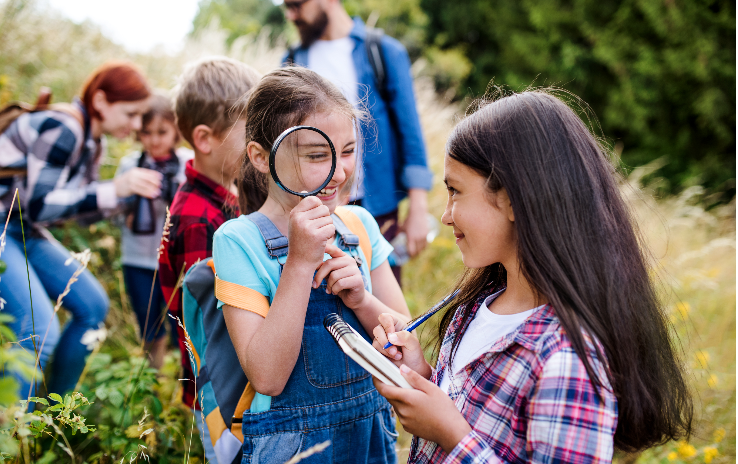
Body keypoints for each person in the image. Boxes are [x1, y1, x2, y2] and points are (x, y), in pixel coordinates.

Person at [372, 91, 694, 463]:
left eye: (455, 191)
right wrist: (422, 377)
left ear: (510, 199)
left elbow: (460, 430)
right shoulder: (477, 306)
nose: (445, 215)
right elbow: (477, 412)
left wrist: (452, 436)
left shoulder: (568, 360)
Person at [212, 67, 410, 463]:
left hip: (370, 435)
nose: (340, 172)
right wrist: (299, 263)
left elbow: (405, 345)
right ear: (260, 157)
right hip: (292, 448)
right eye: (318, 155)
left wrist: (362, 301)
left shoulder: (359, 225)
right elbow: (267, 377)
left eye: (350, 150)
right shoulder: (237, 241)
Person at [0, 62, 159, 398]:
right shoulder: (65, 127)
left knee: (92, 305)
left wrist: (124, 200)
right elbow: (40, 206)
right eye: (131, 114)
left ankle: (56, 411)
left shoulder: (93, 144)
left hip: (21, 227)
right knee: (36, 329)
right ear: (101, 100)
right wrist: (113, 189)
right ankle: (13, 437)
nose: (136, 125)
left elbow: (74, 212)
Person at [282, 0, 432, 283]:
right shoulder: (292, 62)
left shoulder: (383, 52)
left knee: (382, 298)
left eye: (296, 4)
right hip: (317, 206)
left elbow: (410, 133)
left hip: (379, 208)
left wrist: (418, 208)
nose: (291, 14)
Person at [157, 56, 260, 463]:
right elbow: (214, 323)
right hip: (223, 395)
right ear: (205, 139)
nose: (259, 146)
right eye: (249, 133)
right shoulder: (199, 218)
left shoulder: (222, 198)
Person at [115, 92, 191, 369]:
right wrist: (130, 214)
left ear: (175, 131)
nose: (155, 140)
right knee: (149, 326)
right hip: (138, 259)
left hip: (177, 261)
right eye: (146, 133)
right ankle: (151, 385)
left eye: (162, 131)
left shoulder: (186, 164)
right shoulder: (130, 165)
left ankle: (186, 388)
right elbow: (113, 211)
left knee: (183, 330)